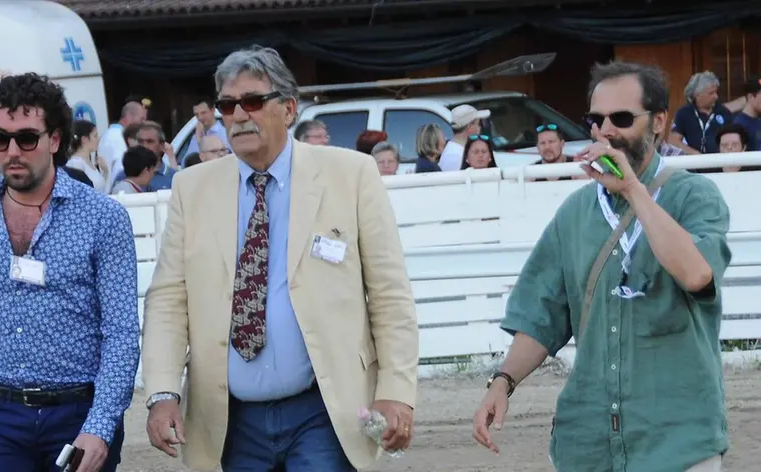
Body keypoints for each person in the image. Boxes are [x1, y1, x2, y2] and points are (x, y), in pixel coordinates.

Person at [142, 45, 419, 472]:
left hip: (324, 411)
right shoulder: (191, 188)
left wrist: (396, 390)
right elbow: (167, 301)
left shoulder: (351, 176)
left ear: (289, 109)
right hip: (231, 420)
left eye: (253, 101)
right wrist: (162, 395)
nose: (238, 115)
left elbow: (389, 294)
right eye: (228, 105)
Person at [473, 61, 731, 472]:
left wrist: (633, 189)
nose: (605, 131)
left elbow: (697, 274)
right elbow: (542, 314)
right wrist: (502, 382)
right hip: (589, 443)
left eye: (621, 118)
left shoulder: (694, 197)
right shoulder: (575, 213)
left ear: (659, 122)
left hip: (678, 440)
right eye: (596, 120)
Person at [0, 72, 140, 472]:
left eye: (27, 138)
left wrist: (100, 426)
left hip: (77, 412)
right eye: (0, 138)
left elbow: (122, 333)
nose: (12, 151)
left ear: (54, 140)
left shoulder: (103, 217)